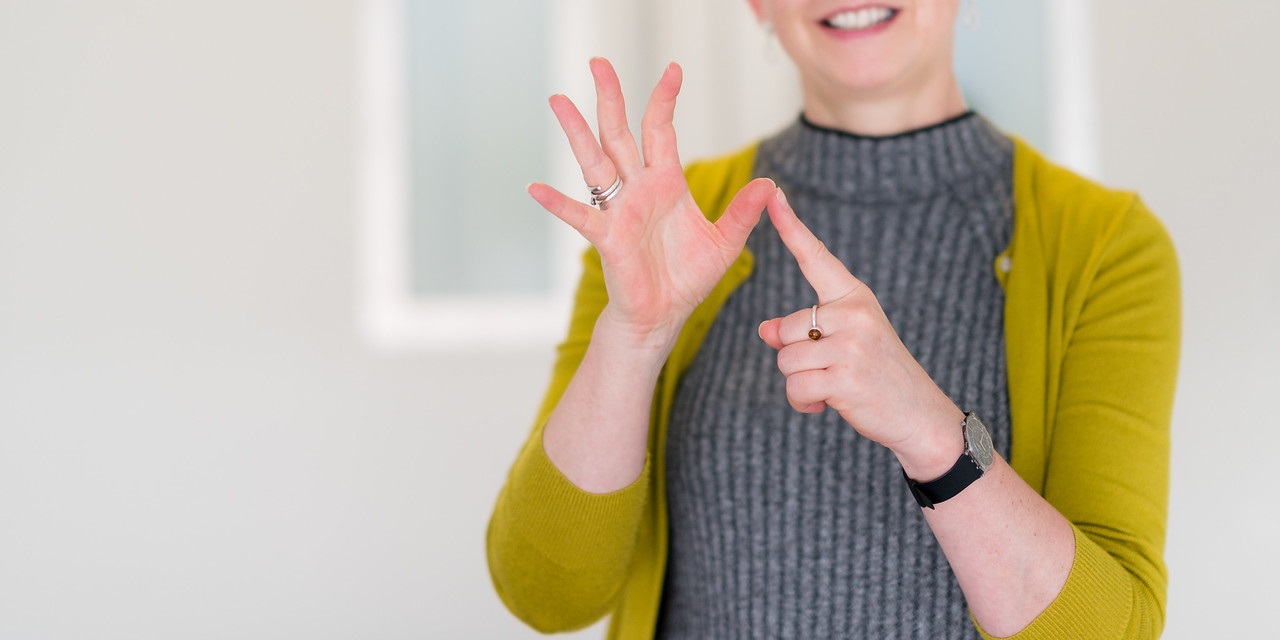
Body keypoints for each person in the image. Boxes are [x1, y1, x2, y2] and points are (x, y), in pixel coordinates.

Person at [488, 1, 1180, 638]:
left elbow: (1113, 628)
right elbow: (546, 592)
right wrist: (634, 338)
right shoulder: (658, 224)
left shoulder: (1104, 246)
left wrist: (931, 431)